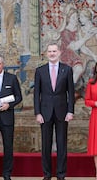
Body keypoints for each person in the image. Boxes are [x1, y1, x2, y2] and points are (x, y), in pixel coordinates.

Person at [34, 43, 75, 180]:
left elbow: (71, 92)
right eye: (50, 51)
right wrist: (37, 113)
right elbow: (36, 94)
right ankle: (46, 174)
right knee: (46, 144)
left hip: (62, 112)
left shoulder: (67, 70)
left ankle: (61, 174)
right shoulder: (40, 71)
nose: (52, 53)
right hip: (44, 113)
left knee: (62, 144)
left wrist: (70, 111)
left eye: (54, 51)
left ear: (59, 53)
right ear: (46, 53)